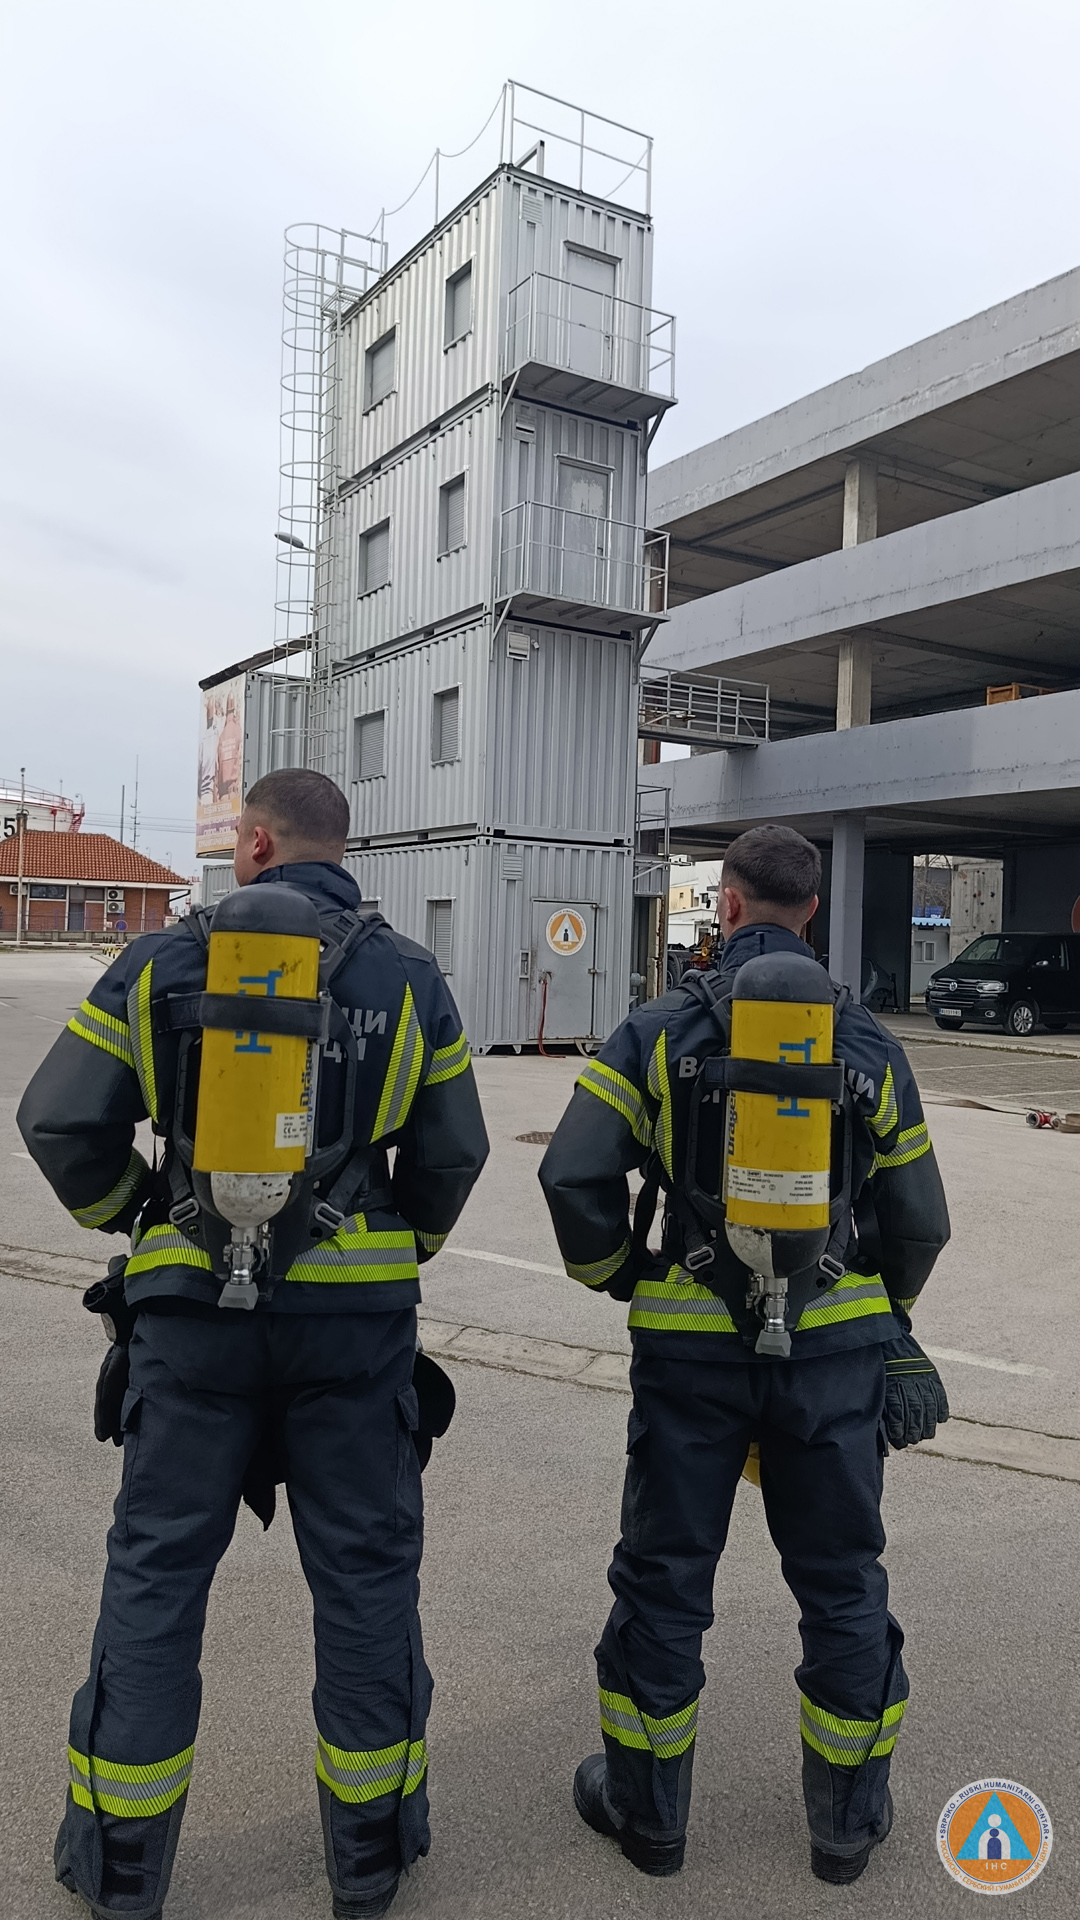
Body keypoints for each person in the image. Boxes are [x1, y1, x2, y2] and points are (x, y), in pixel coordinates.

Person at [19, 768, 489, 1920]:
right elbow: (453, 1155)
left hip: (190, 1331)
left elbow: (58, 1119)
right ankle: (368, 1865)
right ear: (342, 845)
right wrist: (392, 1246)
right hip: (353, 1337)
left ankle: (123, 1873)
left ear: (260, 843)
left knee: (156, 1582)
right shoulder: (408, 976)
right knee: (366, 1585)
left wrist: (146, 1211)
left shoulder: (161, 962)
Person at [539, 824, 950, 1886]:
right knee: (842, 1582)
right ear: (811, 911)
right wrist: (881, 1318)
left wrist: (625, 1277)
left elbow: (572, 1178)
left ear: (726, 906)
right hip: (835, 1355)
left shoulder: (658, 1028)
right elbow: (920, 1220)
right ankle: (844, 1831)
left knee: (664, 1577)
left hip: (690, 1355)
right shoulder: (867, 1043)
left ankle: (649, 1819)